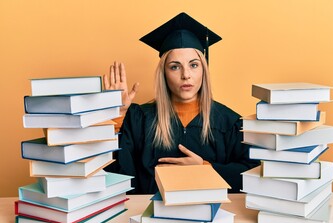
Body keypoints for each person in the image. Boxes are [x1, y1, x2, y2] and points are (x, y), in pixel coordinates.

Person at [103, 12, 259, 194]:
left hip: (212, 218)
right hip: (149, 218)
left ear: (203, 70)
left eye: (193, 65)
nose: (186, 74)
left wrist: (205, 168)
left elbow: (252, 175)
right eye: (175, 66)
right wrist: (117, 116)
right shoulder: (139, 119)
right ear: (164, 73)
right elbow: (116, 177)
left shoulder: (228, 121)